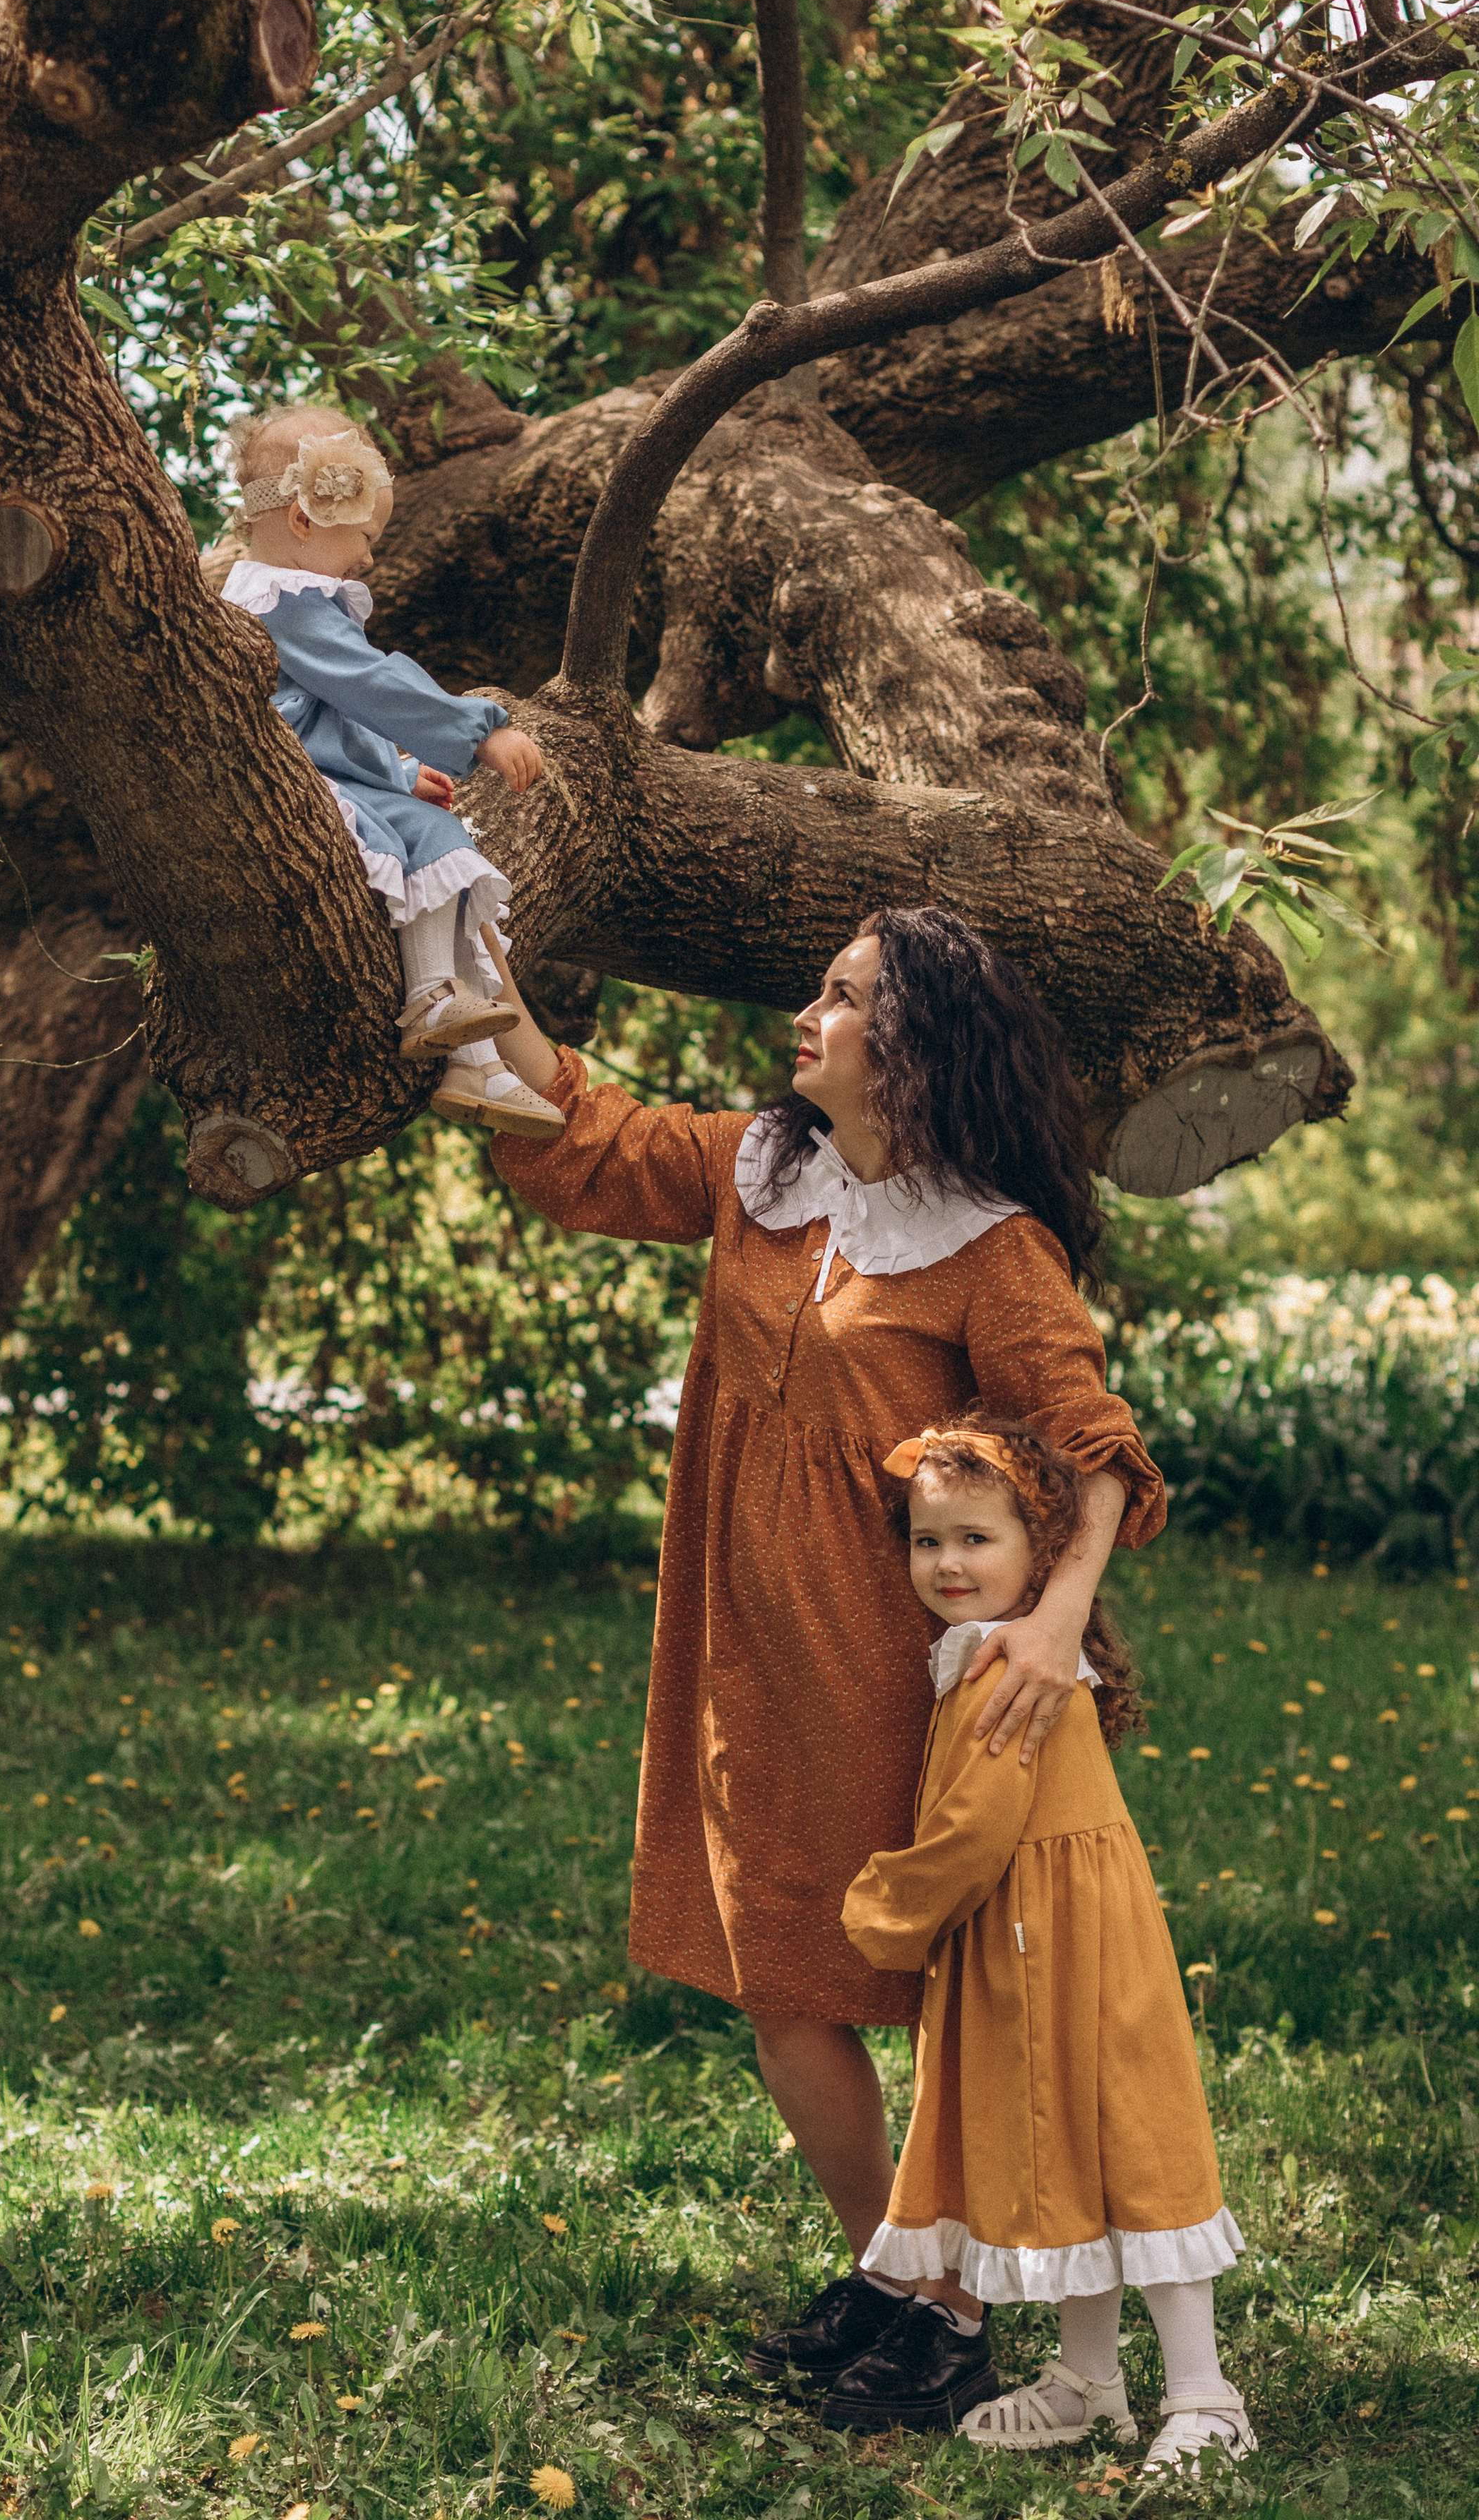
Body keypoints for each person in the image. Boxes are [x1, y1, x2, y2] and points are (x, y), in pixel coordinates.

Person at [487, 905, 1166, 2430]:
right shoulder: (760, 1176)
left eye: (841, 997)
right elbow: (585, 1132)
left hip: (912, 1680)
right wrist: (458, 984)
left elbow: (1095, 1445)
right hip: (747, 1653)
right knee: (778, 1970)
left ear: (908, 1050)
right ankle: (899, 2282)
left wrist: (1051, 1628)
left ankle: (972, 2304)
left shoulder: (986, 1245)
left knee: (945, 1991)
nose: (805, 1014)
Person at [839, 1418, 1254, 2476]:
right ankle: (1087, 2381)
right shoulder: (999, 1653)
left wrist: (883, 1911)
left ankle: (1206, 2395)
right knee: (1061, 2142)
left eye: (976, 1539)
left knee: (1129, 2142)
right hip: (1033, 1937)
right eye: (928, 1541)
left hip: (1064, 1942)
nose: (947, 1563)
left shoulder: (1009, 1667)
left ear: (1043, 1546)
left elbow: (973, 1833)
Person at [217, 401, 562, 1142]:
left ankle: (473, 1059)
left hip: (317, 770)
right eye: (366, 537)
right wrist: (476, 734)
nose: (370, 559)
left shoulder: (280, 599)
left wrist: (400, 775)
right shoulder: (283, 600)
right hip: (297, 786)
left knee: (436, 835)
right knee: (436, 839)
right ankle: (434, 998)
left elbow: (328, 713)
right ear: (307, 520)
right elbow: (368, 685)